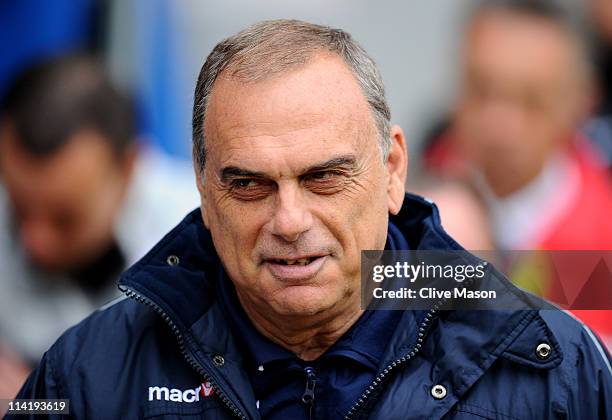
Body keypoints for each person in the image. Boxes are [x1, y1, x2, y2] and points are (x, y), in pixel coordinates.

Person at [8, 20, 611, 419]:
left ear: (393, 169)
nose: (289, 219)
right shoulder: (86, 373)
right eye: (248, 184)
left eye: (324, 177)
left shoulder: (548, 361)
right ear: (202, 185)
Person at [0, 55, 198, 398]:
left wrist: (37, 404)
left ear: (129, 168)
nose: (35, 241)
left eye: (65, 219)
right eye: (18, 210)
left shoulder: (204, 241)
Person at [423, 0, 612, 346]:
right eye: (481, 90)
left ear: (581, 103)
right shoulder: (405, 203)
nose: (500, 126)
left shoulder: (604, 239)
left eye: (532, 100)